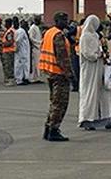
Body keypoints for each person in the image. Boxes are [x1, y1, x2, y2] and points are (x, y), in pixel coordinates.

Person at [78, 14, 111, 131]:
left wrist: (105, 54)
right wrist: (99, 55)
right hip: (90, 70)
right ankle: (87, 120)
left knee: (105, 93)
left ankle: (107, 118)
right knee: (90, 93)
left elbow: (104, 47)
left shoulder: (96, 36)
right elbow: (88, 54)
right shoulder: (85, 37)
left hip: (100, 68)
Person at [39, 12, 73, 142]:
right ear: (57, 21)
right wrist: (70, 74)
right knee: (60, 104)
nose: (66, 22)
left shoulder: (49, 32)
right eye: (64, 20)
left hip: (50, 72)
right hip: (59, 74)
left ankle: (48, 129)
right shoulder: (58, 35)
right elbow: (62, 58)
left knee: (54, 103)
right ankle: (53, 130)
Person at [14, 17, 31, 85]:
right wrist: (17, 49)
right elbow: (18, 41)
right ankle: (19, 79)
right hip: (21, 52)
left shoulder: (23, 31)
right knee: (19, 66)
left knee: (25, 66)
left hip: (24, 52)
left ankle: (25, 78)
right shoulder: (21, 31)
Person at [1, 18, 16, 86]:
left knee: (9, 66)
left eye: (6, 23)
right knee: (7, 66)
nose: (4, 24)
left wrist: (2, 44)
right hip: (7, 51)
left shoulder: (10, 31)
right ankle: (8, 79)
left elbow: (10, 42)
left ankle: (11, 80)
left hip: (9, 51)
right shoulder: (8, 31)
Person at [29, 16, 43, 83]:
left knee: (38, 64)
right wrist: (39, 43)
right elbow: (31, 38)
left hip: (38, 47)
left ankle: (37, 78)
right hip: (35, 48)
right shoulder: (33, 28)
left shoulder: (37, 27)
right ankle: (33, 78)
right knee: (35, 63)